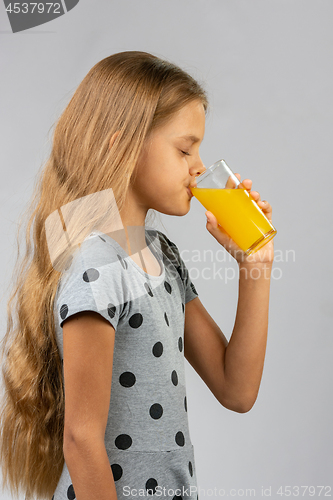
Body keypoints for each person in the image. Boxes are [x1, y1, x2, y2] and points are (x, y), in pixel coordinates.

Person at [0, 51, 274, 500]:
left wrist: (255, 266)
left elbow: (236, 389)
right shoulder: (97, 268)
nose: (199, 166)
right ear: (121, 145)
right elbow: (81, 440)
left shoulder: (162, 255)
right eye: (185, 149)